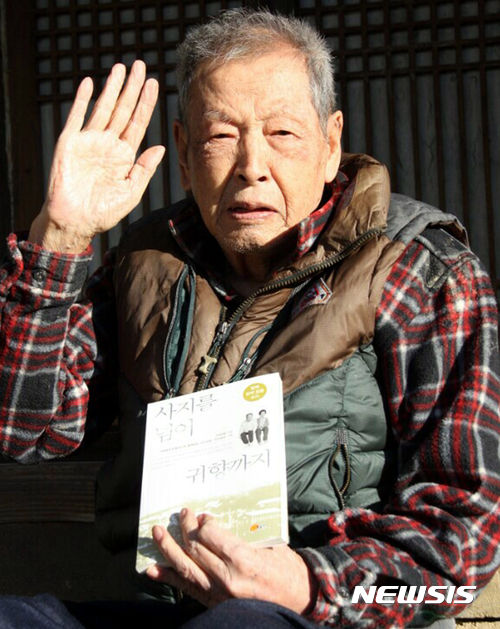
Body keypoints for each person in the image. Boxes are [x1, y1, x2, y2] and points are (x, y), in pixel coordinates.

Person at [0, 8, 499, 629]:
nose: (251, 165)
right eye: (220, 137)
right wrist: (59, 238)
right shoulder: (147, 264)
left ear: (331, 144)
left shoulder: (420, 270)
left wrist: (309, 584)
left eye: (283, 133)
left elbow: (462, 537)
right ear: (185, 153)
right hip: (158, 609)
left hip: (322, 614)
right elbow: (26, 431)